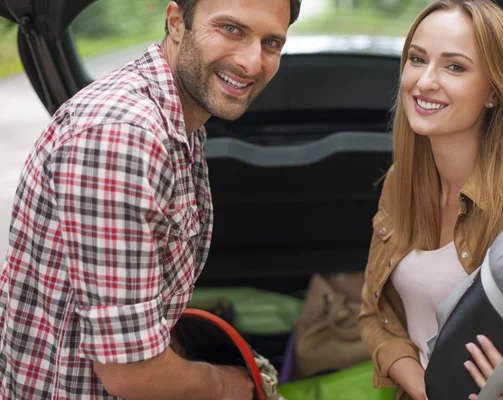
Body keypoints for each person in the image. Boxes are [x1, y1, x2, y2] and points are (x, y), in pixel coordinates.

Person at [0, 0, 300, 399]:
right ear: (176, 22)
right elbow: (130, 372)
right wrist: (230, 385)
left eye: (271, 43)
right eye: (231, 29)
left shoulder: (177, 119)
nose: (251, 62)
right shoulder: (123, 136)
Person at [355, 0, 503, 399]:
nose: (425, 81)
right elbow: (374, 314)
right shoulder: (402, 181)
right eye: (417, 59)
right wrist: (425, 387)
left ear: (494, 93)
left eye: (455, 67)